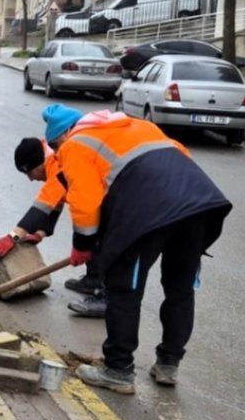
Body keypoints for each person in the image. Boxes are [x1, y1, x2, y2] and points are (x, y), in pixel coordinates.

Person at [47, 108, 231, 394]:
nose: (58, 156)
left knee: (124, 290)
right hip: (199, 205)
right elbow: (178, 160)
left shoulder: (75, 144)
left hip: (147, 214)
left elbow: (85, 201)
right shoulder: (137, 126)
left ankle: (118, 370)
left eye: (55, 149)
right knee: (180, 289)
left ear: (62, 137)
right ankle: (168, 365)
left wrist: (83, 246)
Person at [0, 105, 105, 319]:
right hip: (100, 199)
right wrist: (41, 232)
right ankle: (93, 278)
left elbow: (44, 204)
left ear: (38, 163)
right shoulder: (54, 155)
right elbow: (57, 203)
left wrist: (13, 236)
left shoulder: (56, 163)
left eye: (30, 173)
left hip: (114, 200)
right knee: (89, 228)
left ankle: (104, 294)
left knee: (101, 236)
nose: (31, 179)